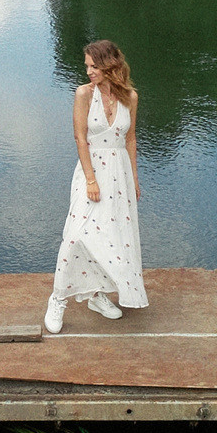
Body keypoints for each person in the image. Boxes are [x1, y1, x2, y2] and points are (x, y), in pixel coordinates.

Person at [45, 39, 147, 333]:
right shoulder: (83, 95)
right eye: (87, 65)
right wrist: (90, 179)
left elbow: (130, 139)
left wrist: (134, 179)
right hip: (92, 171)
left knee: (113, 237)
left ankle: (96, 295)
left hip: (120, 173)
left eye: (94, 66)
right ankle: (58, 299)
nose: (88, 71)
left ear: (110, 65)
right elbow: (80, 138)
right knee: (76, 235)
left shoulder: (130, 96)